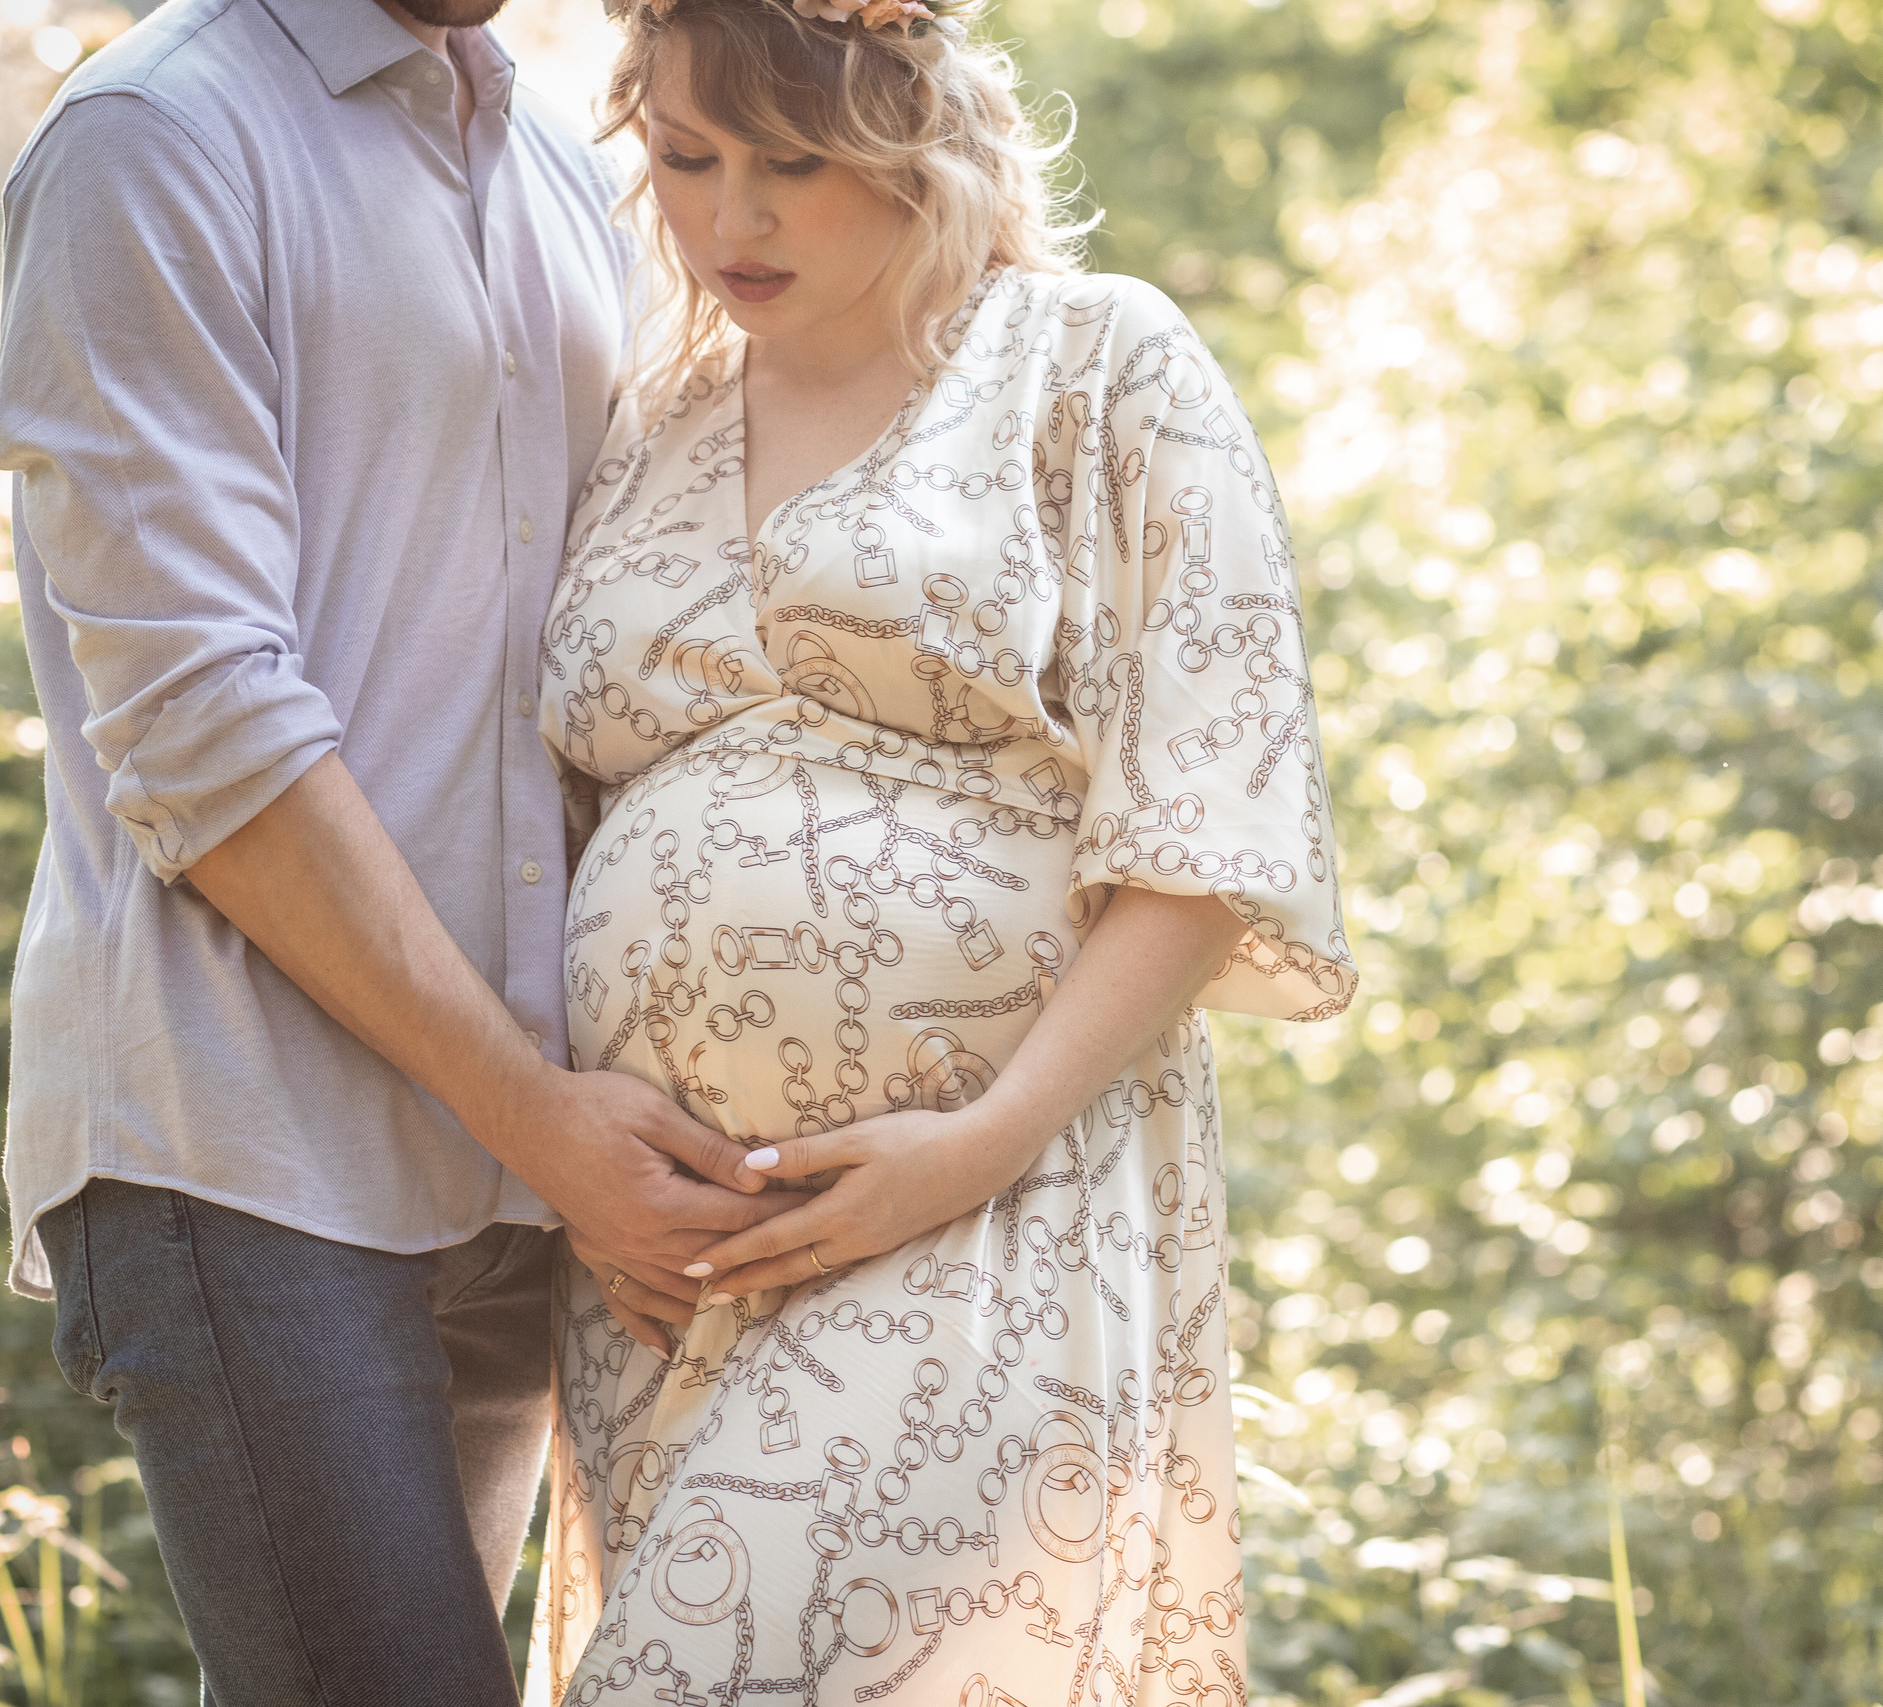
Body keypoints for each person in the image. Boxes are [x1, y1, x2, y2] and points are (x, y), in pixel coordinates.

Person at [531, 0, 1358, 1697]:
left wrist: (978, 1141)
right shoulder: (643, 421)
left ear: (918, 143)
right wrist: (577, 1162)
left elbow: (1206, 822)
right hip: (662, 1273)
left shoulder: (1092, 360)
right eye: (687, 159)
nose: (728, 220)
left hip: (989, 1209)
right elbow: (562, 821)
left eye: (794, 167)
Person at [0, 1, 798, 1700]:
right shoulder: (154, 139)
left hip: (511, 1170)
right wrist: (539, 1112)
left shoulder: (573, 173)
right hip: (246, 1144)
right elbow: (203, 723)